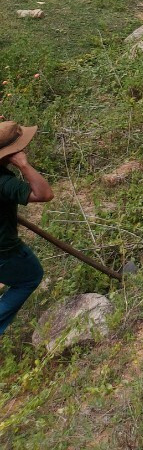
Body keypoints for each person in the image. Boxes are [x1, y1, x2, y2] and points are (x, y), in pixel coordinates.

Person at [0, 121, 53, 337]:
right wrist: (24, 165)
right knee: (30, 276)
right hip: (4, 251)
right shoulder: (4, 182)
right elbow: (44, 194)